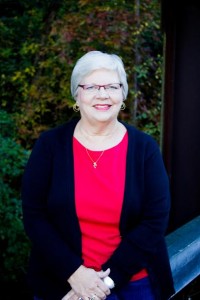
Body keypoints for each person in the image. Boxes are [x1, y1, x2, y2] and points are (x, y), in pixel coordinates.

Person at [22, 50, 175, 300]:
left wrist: (107, 282)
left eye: (112, 86)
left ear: (122, 94)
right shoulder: (50, 145)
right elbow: (34, 215)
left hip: (133, 284)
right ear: (77, 94)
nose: (102, 94)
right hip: (65, 285)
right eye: (92, 86)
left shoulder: (144, 149)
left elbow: (155, 220)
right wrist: (75, 273)